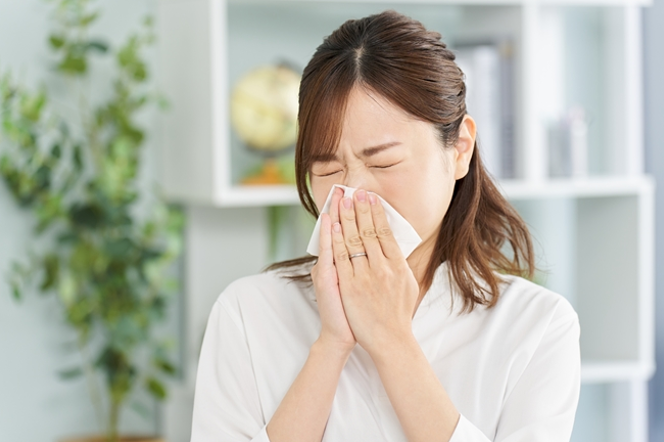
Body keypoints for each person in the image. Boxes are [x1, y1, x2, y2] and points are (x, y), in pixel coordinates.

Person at [191, 10, 580, 442]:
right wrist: (331, 345)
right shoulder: (248, 313)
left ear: (460, 150)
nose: (354, 191)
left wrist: (392, 340)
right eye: (326, 167)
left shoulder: (536, 326)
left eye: (384, 162)